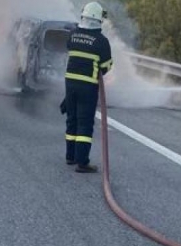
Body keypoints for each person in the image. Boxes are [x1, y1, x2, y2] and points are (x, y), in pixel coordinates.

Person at [62, 1, 113, 173]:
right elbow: (106, 66)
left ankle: (70, 156)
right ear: (99, 20)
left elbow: (69, 49)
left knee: (72, 119)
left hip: (70, 83)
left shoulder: (73, 34)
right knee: (84, 124)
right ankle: (82, 162)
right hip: (87, 86)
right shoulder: (101, 41)